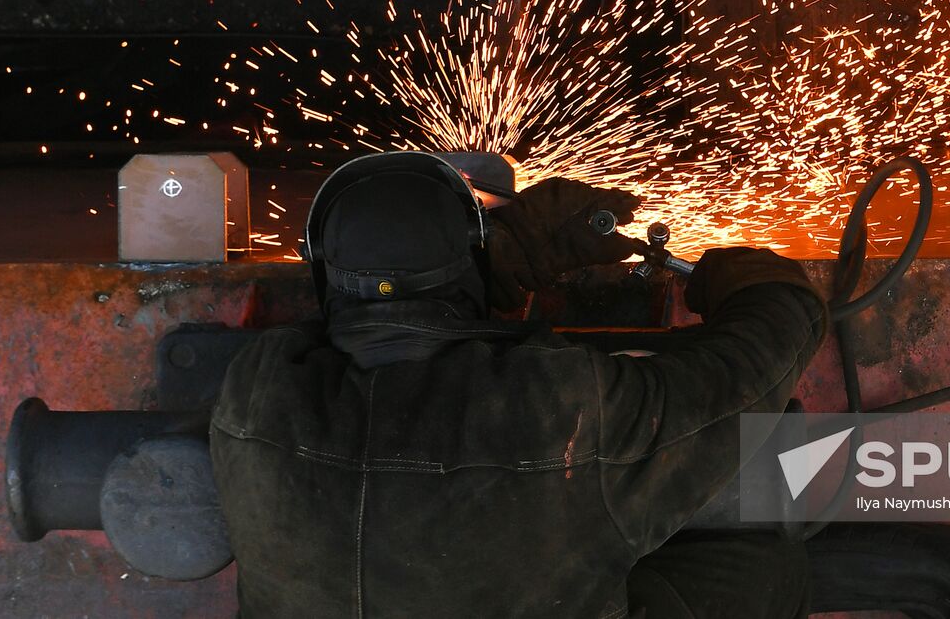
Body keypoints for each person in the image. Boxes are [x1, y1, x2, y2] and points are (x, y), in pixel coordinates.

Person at [209, 151, 828, 618]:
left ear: (319, 267)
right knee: (769, 570)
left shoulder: (257, 395)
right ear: (472, 258)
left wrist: (486, 271)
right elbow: (749, 372)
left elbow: (350, 327)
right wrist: (757, 280)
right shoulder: (559, 407)